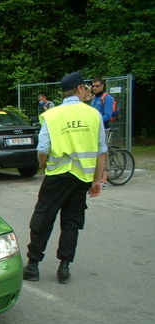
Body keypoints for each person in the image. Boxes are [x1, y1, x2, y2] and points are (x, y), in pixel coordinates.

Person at [23, 72, 107, 284]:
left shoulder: (52, 115)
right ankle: (64, 267)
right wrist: (97, 180)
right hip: (82, 178)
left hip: (57, 176)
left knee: (43, 218)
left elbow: (43, 148)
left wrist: (43, 165)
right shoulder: (93, 115)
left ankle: (33, 265)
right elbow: (101, 151)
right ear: (79, 89)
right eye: (86, 87)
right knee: (71, 221)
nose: (87, 90)